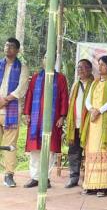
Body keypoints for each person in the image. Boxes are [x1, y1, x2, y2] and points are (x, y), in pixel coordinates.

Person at [23, 54, 69, 188]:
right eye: (45, 58)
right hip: (36, 119)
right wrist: (26, 113)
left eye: (50, 58)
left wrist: (62, 116)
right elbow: (29, 95)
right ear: (42, 60)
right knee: (35, 149)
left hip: (53, 119)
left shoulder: (60, 78)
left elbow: (64, 98)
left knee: (49, 149)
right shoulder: (36, 77)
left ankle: (46, 178)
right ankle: (35, 177)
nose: (47, 60)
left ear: (54, 61)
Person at [81, 55, 107, 197]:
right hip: (93, 120)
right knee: (91, 149)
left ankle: (103, 186)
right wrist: (91, 109)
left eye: (103, 65)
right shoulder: (95, 82)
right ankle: (90, 184)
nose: (100, 67)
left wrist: (99, 110)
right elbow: (87, 100)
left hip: (105, 119)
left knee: (103, 150)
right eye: (99, 64)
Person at [0, 37, 29, 187]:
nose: (7, 48)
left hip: (11, 111)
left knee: (9, 144)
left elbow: (22, 89)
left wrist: (4, 100)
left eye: (11, 47)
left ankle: (9, 175)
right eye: (6, 46)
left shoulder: (22, 68)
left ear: (17, 50)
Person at [64, 59, 94, 188]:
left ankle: (89, 178)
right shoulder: (76, 85)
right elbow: (71, 103)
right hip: (74, 124)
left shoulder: (94, 84)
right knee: (73, 152)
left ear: (90, 69)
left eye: (83, 67)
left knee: (89, 152)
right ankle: (73, 177)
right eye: (78, 67)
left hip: (88, 124)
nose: (80, 70)